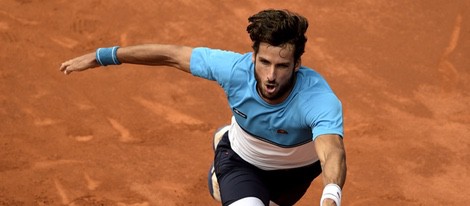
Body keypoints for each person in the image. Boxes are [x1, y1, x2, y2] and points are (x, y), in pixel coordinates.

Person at [60, 9, 346, 206]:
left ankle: (222, 173)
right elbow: (171, 55)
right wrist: (104, 56)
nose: (271, 75)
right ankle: (225, 157)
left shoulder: (317, 98)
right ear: (253, 56)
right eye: (264, 62)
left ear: (297, 64)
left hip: (293, 177)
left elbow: (331, 150)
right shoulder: (234, 70)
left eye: (282, 66)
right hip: (242, 162)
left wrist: (330, 196)